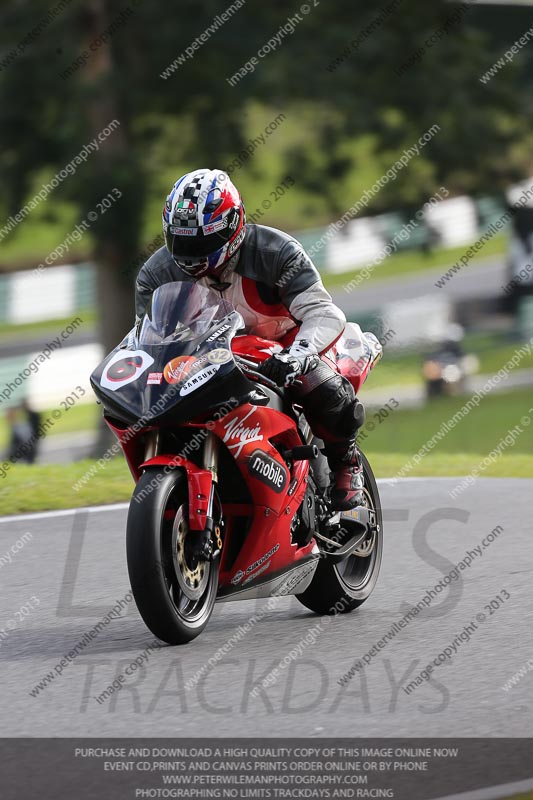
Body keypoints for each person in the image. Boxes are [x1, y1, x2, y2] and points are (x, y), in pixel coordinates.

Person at [135, 168, 368, 512]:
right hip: (214, 357)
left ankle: (346, 462)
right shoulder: (156, 274)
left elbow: (323, 312)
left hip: (289, 346)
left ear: (232, 226)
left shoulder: (275, 252)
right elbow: (146, 337)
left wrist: (297, 355)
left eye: (199, 242)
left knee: (320, 383)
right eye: (181, 241)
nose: (190, 253)